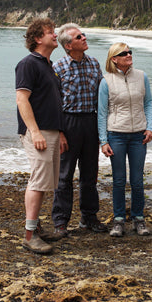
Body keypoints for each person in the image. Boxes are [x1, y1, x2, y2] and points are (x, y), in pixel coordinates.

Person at [15, 17, 67, 254]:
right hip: (38, 132)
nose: (55, 35)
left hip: (52, 131)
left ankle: (35, 228)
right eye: (50, 32)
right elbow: (21, 99)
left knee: (45, 182)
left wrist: (60, 132)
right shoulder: (28, 64)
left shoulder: (48, 65)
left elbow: (53, 102)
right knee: (38, 182)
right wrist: (34, 132)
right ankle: (29, 235)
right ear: (37, 38)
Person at [51, 23, 107, 236]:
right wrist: (59, 132)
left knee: (90, 174)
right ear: (68, 45)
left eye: (83, 35)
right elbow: (54, 103)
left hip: (90, 122)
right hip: (68, 122)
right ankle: (60, 221)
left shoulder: (94, 63)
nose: (84, 38)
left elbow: (102, 99)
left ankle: (89, 217)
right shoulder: (58, 67)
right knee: (64, 176)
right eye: (78, 36)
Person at [97, 42, 152, 237]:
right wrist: (103, 141)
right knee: (119, 180)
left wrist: (150, 127)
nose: (129, 55)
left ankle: (139, 219)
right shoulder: (106, 81)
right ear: (114, 58)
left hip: (139, 135)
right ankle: (119, 220)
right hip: (116, 135)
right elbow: (102, 113)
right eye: (124, 53)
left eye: (130, 51)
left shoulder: (142, 76)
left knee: (137, 181)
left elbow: (147, 103)